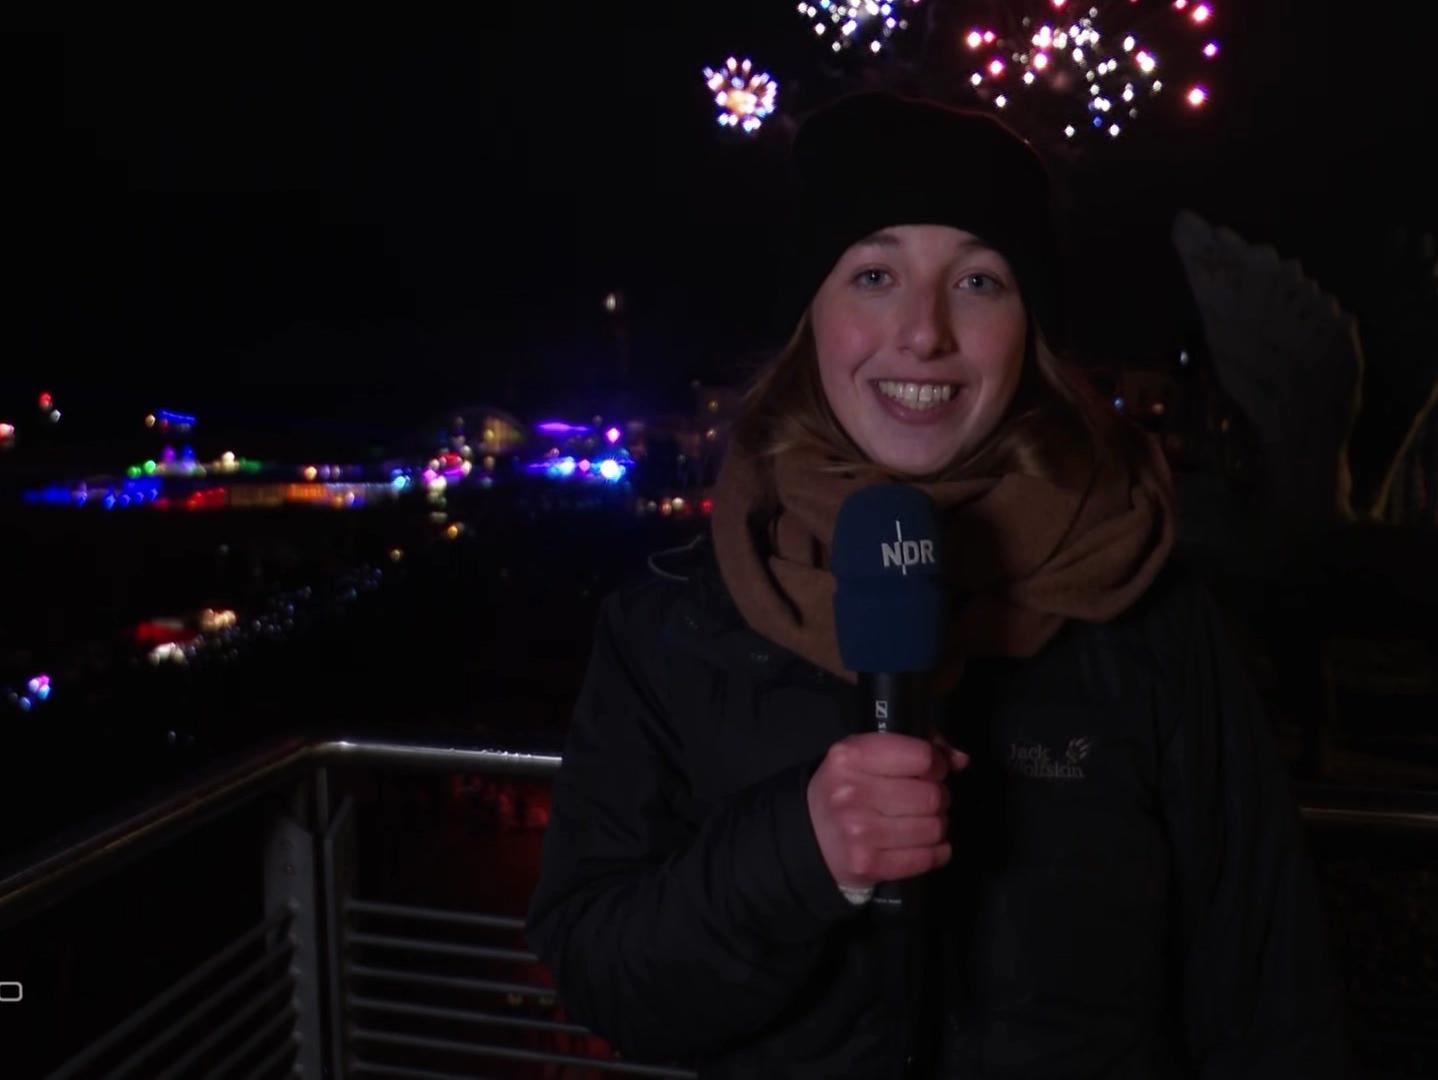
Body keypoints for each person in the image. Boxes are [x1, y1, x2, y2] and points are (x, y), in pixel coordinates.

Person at [527, 92, 1345, 1078]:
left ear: (1030, 329)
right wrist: (798, 855)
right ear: (812, 318)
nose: (923, 335)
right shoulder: (669, 625)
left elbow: (1269, 996)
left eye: (980, 281)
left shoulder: (1153, 616)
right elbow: (604, 974)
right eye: (874, 274)